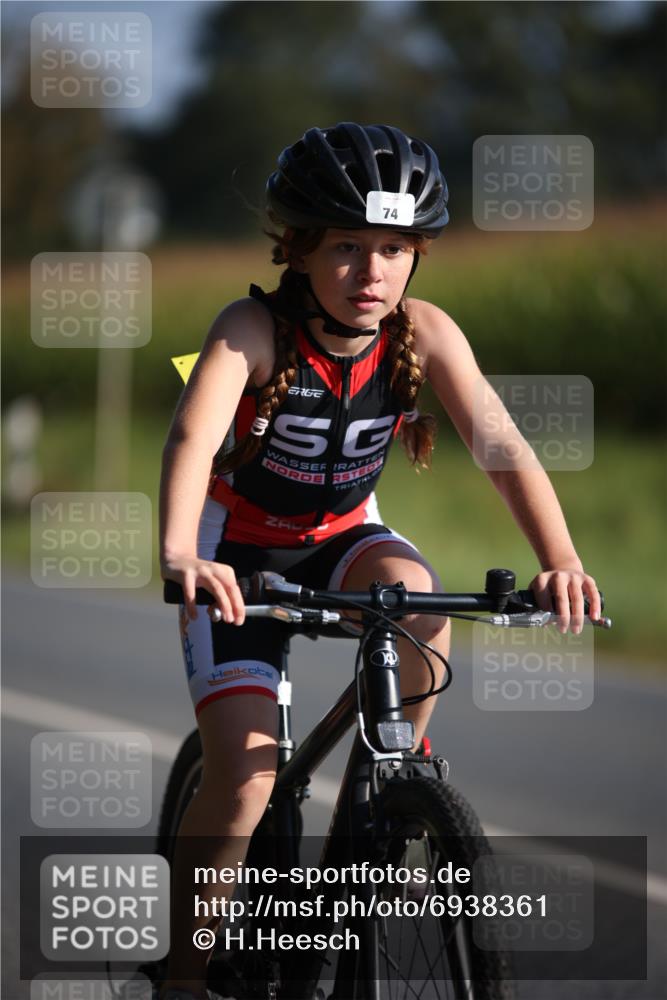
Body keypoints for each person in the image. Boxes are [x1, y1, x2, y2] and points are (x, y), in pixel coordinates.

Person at [158, 122, 601, 1000]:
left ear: (417, 256)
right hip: (232, 551)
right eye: (347, 247)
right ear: (297, 249)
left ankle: (385, 791)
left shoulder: (425, 332)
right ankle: (181, 976)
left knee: (418, 599)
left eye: (394, 250)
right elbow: (192, 435)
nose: (372, 272)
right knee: (246, 780)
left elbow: (500, 447)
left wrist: (559, 558)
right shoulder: (251, 327)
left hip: (339, 536)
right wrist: (178, 552)